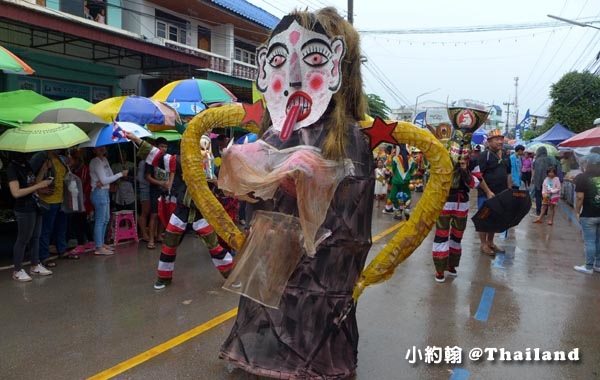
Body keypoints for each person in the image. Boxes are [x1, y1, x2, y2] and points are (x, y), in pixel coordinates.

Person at [216, 8, 375, 378]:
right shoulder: (279, 130)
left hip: (325, 252)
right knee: (277, 303)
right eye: (279, 61)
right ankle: (268, 356)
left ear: (339, 69)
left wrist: (312, 180)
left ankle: (312, 360)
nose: (295, 76)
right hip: (278, 246)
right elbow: (254, 188)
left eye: (314, 59)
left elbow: (351, 200)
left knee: (316, 307)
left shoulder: (351, 137)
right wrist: (251, 171)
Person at [124, 131, 235, 290]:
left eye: (206, 146)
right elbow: (159, 157)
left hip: (200, 213)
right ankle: (163, 278)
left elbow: (225, 188)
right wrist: (135, 139)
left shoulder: (213, 166)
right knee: (169, 245)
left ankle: (232, 275)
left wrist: (216, 181)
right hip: (181, 211)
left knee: (214, 246)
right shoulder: (183, 162)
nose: (202, 150)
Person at [7, 152, 54, 281]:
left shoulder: (26, 165)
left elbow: (32, 184)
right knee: (23, 239)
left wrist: (43, 171)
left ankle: (35, 265)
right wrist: (39, 186)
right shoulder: (12, 168)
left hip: (34, 204)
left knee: (35, 237)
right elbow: (16, 192)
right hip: (23, 208)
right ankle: (17, 270)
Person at [433, 157, 478, 282]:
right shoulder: (441, 155)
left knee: (457, 235)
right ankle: (440, 269)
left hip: (461, 202)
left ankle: (451, 264)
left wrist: (464, 170)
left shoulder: (472, 160)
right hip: (443, 201)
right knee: (441, 234)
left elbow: (475, 183)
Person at [30, 149, 77, 267]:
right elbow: (30, 177)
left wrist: (70, 165)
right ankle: (44, 256)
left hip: (61, 199)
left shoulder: (61, 158)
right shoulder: (39, 157)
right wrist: (40, 189)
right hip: (48, 200)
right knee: (46, 229)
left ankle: (62, 250)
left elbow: (65, 176)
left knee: (61, 227)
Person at [472, 129, 512, 256]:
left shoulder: (506, 155)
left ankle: (491, 242)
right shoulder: (484, 156)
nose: (500, 141)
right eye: (496, 139)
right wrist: (488, 191)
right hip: (486, 194)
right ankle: (483, 244)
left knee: (495, 219)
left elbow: (508, 173)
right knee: (484, 219)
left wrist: (509, 190)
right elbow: (479, 176)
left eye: (501, 138)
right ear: (489, 142)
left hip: (501, 194)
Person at [89, 146, 128, 256]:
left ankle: (101, 243)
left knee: (106, 219)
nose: (102, 149)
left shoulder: (104, 160)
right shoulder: (95, 161)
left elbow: (109, 176)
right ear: (94, 150)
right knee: (100, 220)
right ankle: (98, 247)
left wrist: (107, 180)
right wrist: (120, 174)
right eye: (98, 148)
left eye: (103, 147)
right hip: (98, 191)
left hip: (104, 191)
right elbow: (105, 179)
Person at [573, 153, 600, 274]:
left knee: (589, 241)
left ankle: (588, 266)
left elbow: (579, 197)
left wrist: (577, 212)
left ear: (588, 163)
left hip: (589, 214)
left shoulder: (582, 177)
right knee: (598, 240)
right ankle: (598, 265)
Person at [66, 148, 94, 255]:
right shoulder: (74, 170)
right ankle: (90, 240)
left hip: (82, 199)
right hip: (76, 198)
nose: (69, 162)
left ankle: (81, 244)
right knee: (82, 221)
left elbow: (82, 184)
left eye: (70, 159)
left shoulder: (83, 169)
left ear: (76, 159)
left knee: (78, 221)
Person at [145, 137, 170, 250]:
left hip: (166, 190)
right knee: (154, 214)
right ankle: (151, 239)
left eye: (165, 146)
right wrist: (160, 183)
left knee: (162, 214)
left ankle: (159, 235)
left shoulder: (168, 159)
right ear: (156, 147)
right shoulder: (150, 159)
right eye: (161, 146)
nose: (164, 149)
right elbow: (148, 177)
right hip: (155, 190)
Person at [383, 144, 415, 220]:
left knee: (393, 196)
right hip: (406, 181)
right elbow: (412, 172)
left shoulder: (395, 158)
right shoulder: (411, 159)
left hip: (396, 181)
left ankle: (398, 211)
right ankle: (407, 209)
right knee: (407, 196)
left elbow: (392, 170)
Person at [532, 146, 557, 217]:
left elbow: (534, 171)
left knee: (538, 196)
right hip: (548, 181)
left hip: (538, 181)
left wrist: (533, 179)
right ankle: (545, 212)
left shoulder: (536, 160)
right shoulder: (550, 159)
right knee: (546, 197)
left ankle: (538, 212)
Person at [136, 158, 151, 242]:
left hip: (152, 189)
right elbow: (139, 178)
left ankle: (147, 232)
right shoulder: (143, 162)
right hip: (145, 189)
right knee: (145, 212)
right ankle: (144, 233)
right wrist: (151, 182)